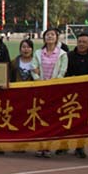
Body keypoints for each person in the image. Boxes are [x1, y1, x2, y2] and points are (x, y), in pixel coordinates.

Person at [31, 28, 68, 158]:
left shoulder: (62, 54)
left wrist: (53, 83)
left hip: (54, 90)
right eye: (47, 35)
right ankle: (39, 145)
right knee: (40, 118)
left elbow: (62, 72)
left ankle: (48, 146)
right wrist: (40, 81)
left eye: (52, 35)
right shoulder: (38, 53)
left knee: (51, 119)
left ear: (57, 38)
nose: (50, 37)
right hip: (40, 90)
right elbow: (34, 69)